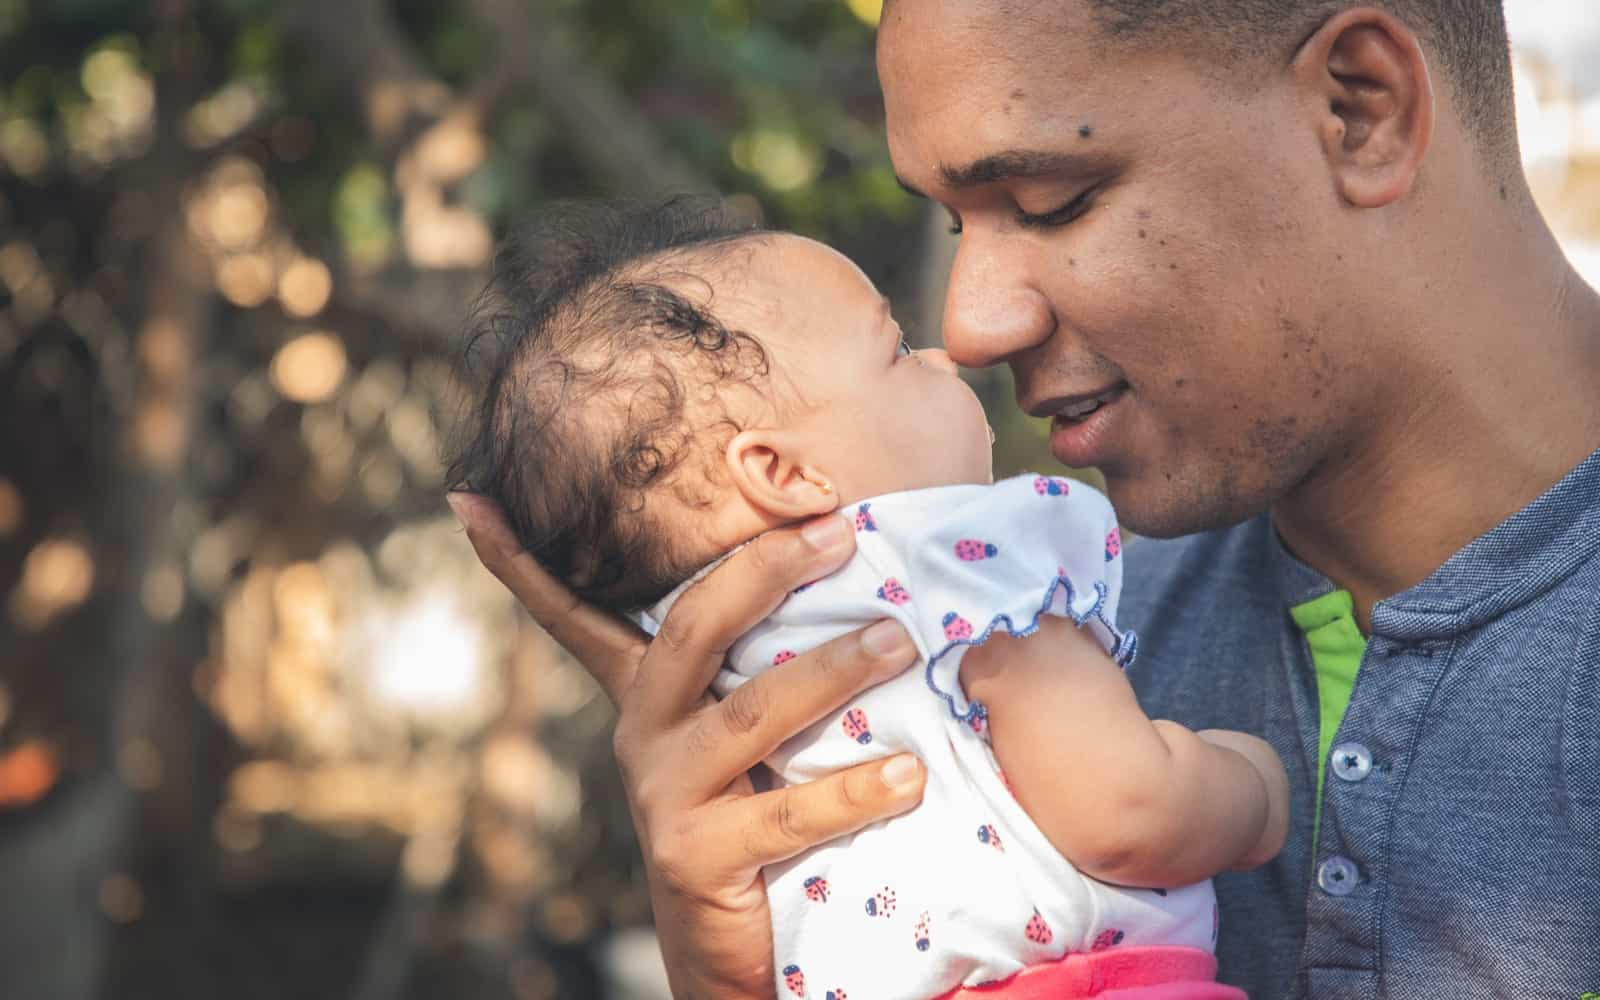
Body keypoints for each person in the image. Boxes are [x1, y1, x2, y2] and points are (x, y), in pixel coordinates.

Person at [448, 0, 1600, 996]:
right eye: (958, 223)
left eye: (1049, 200)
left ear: (1360, 108)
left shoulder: (1026, 612)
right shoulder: (1042, 622)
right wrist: (751, 972)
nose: (970, 323)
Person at [445, 198, 1286, 998]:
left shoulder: (710, 671)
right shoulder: (966, 565)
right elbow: (1127, 810)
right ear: (781, 474)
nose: (945, 354)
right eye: (896, 351)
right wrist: (1252, 786)